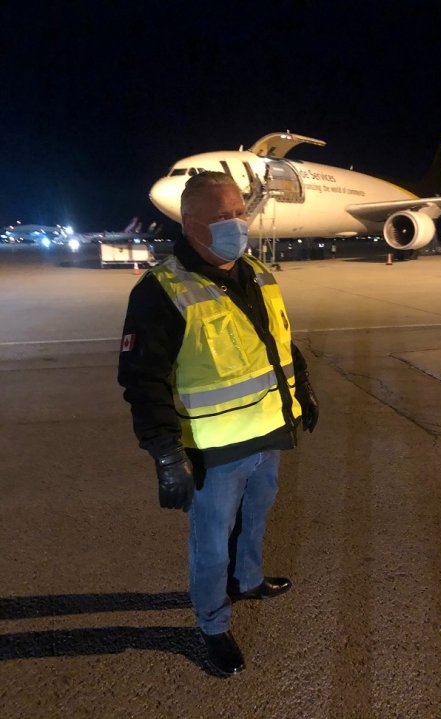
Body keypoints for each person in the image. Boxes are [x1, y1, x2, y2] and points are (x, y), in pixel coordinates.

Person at [118, 172, 319, 676]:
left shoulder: (254, 271)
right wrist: (166, 453)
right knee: (210, 546)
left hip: (268, 434)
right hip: (213, 451)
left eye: (238, 212)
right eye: (222, 217)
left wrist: (304, 389)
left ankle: (247, 579)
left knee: (256, 519)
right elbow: (144, 381)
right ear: (190, 226)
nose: (237, 224)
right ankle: (211, 623)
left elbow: (278, 341)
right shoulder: (161, 291)